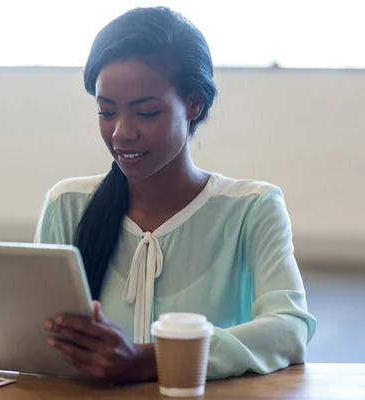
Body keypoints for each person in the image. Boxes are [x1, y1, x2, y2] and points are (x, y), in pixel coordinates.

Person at [36, 6, 316, 384]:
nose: (121, 133)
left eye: (146, 112)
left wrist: (150, 359)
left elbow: (289, 328)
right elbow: (37, 339)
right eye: (106, 112)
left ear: (194, 103)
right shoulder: (67, 204)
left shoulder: (251, 208)